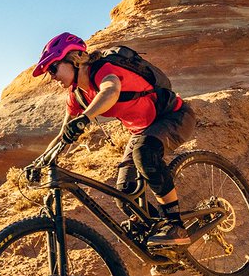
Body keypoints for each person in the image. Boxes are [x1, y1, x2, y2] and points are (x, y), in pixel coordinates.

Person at [31, 32, 197, 252]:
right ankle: (166, 249)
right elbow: (63, 134)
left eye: (53, 68)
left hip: (174, 116)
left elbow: (111, 90)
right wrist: (39, 162)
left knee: (144, 153)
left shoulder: (103, 69)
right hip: (141, 131)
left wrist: (86, 118)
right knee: (126, 193)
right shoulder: (77, 95)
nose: (52, 76)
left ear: (75, 58)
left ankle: (175, 226)